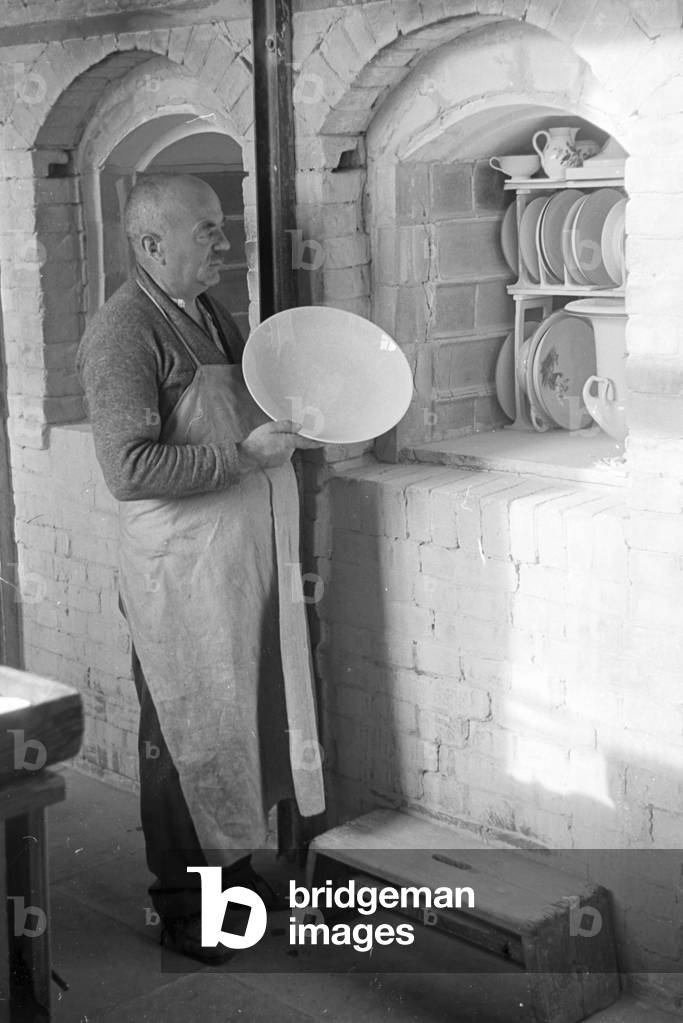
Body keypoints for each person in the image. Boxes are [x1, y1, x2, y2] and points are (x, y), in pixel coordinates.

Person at [76, 173, 326, 963]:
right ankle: (185, 905)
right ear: (152, 244)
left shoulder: (212, 313)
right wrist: (239, 455)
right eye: (208, 230)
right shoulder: (123, 331)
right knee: (183, 730)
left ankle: (238, 879)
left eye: (223, 228)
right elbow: (127, 467)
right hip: (175, 572)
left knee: (235, 720)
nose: (226, 242)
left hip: (231, 561)